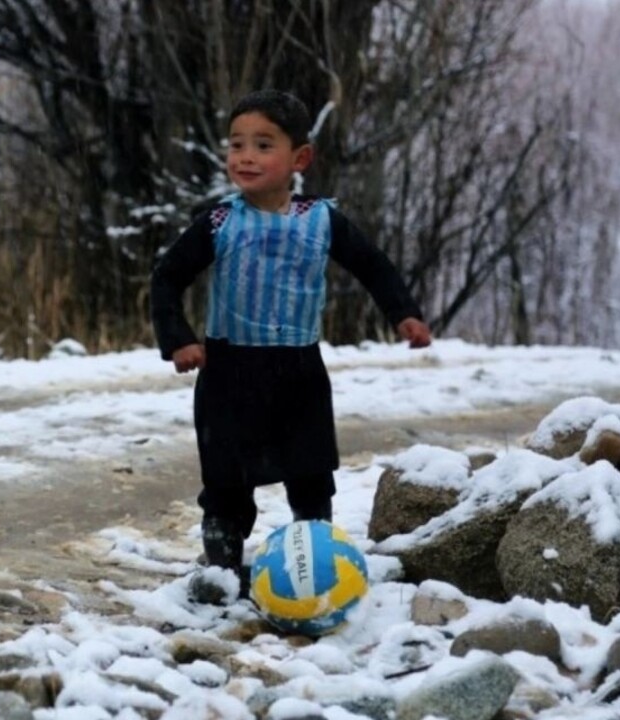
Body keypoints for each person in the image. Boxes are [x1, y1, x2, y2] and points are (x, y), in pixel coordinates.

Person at [150, 89, 433, 599]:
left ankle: (315, 563)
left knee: (310, 473)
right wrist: (179, 340)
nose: (246, 157)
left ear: (299, 158)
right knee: (226, 481)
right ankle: (221, 567)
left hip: (299, 371)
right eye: (237, 145)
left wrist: (404, 313)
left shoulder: (322, 221)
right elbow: (167, 276)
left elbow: (373, 266)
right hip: (228, 372)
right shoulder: (219, 222)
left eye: (263, 145)